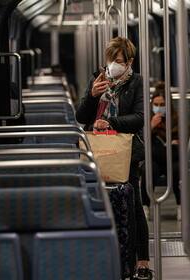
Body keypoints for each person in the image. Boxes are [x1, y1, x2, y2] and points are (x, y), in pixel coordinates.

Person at [75, 37, 152, 280]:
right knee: (99, 202)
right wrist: (91, 96)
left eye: (118, 61)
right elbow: (81, 116)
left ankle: (141, 261)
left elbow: (140, 117)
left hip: (124, 150)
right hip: (98, 148)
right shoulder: (98, 79)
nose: (113, 65)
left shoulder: (137, 82)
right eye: (111, 60)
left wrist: (111, 122)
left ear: (129, 61)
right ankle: (107, 256)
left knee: (133, 203)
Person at [140, 81, 181, 221]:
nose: (158, 108)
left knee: (177, 170)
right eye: (156, 105)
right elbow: (141, 142)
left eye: (162, 105)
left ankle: (181, 205)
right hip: (154, 158)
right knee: (148, 170)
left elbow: (184, 139)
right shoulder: (146, 120)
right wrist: (150, 127)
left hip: (173, 158)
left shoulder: (176, 120)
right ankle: (145, 206)